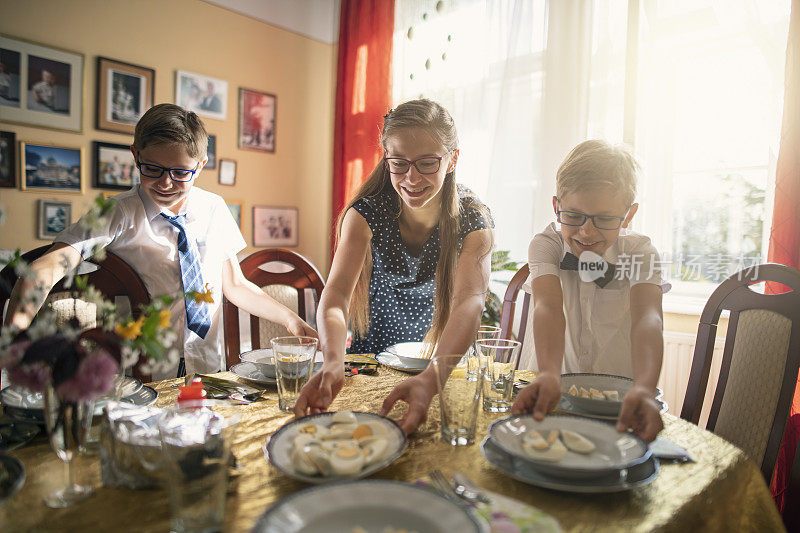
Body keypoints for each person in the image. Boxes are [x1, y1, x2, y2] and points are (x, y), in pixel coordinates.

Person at [5, 103, 316, 378]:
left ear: (201, 165)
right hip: (143, 370)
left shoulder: (214, 209)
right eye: (152, 168)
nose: (166, 183)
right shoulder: (119, 213)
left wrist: (290, 318)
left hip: (206, 364)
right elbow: (49, 266)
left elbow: (234, 285)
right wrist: (13, 340)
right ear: (135, 155)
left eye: (181, 172)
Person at [293, 99, 494, 433]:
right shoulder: (366, 214)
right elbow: (337, 296)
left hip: (440, 363)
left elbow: (469, 302)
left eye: (428, 163)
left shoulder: (473, 218)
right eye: (399, 163)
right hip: (367, 363)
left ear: (453, 159)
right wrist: (332, 362)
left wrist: (432, 379)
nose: (411, 178)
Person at [511, 140, 668, 442]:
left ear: (628, 214)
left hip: (619, 401)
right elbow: (547, 307)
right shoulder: (547, 245)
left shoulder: (641, 252)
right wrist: (548, 374)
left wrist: (646, 388)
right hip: (551, 389)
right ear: (556, 207)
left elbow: (648, 319)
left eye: (605, 219)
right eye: (574, 215)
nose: (586, 230)